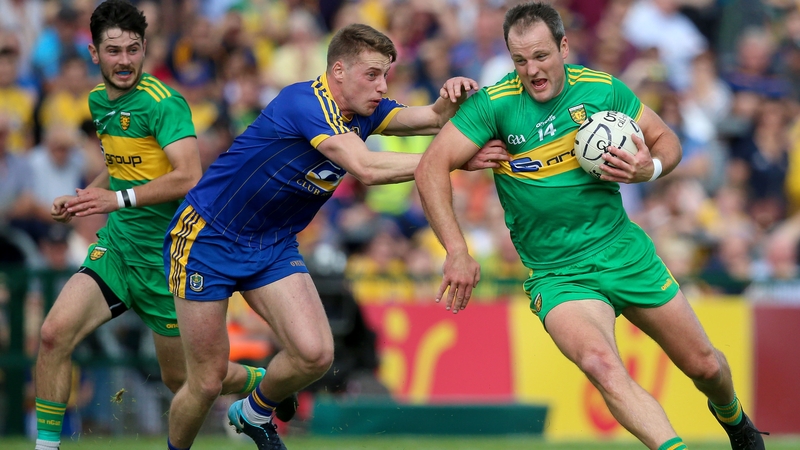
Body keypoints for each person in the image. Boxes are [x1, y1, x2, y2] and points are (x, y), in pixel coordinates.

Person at [414, 3, 768, 450]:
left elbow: (667, 140)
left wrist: (650, 168)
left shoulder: (602, 89)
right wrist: (456, 249)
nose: (532, 70)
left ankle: (735, 421)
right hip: (559, 275)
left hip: (623, 251)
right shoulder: (494, 104)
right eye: (520, 60)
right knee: (602, 364)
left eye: (541, 56)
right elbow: (430, 166)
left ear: (563, 47)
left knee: (705, 367)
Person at [162, 23, 508, 450]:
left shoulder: (364, 109)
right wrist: (455, 160)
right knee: (207, 380)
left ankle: (253, 412)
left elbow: (433, 119)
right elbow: (366, 168)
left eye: (386, 75)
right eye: (372, 75)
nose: (382, 86)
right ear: (338, 71)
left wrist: (448, 100)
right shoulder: (305, 102)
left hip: (271, 244)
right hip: (207, 238)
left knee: (316, 355)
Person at [33, 2, 267, 450]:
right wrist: (86, 197)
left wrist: (114, 198)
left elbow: (187, 176)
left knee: (187, 377)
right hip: (119, 249)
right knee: (52, 334)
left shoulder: (164, 103)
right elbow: (123, 166)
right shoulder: (98, 101)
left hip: (167, 258)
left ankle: (265, 380)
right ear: (93, 54)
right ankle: (47, 447)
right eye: (114, 50)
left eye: (133, 50)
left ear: (145, 50)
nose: (124, 60)